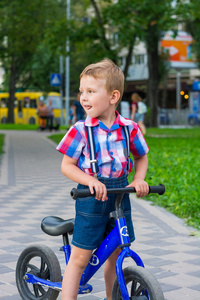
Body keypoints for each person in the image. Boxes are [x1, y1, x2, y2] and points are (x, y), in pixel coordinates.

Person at [56, 59, 149, 300]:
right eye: (81, 92)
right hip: (91, 200)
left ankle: (112, 297)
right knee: (79, 258)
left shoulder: (129, 128)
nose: (83, 98)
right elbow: (67, 166)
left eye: (90, 91)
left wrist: (139, 179)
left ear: (113, 96)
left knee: (116, 254)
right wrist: (89, 181)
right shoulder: (80, 130)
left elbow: (141, 157)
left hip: (119, 196)